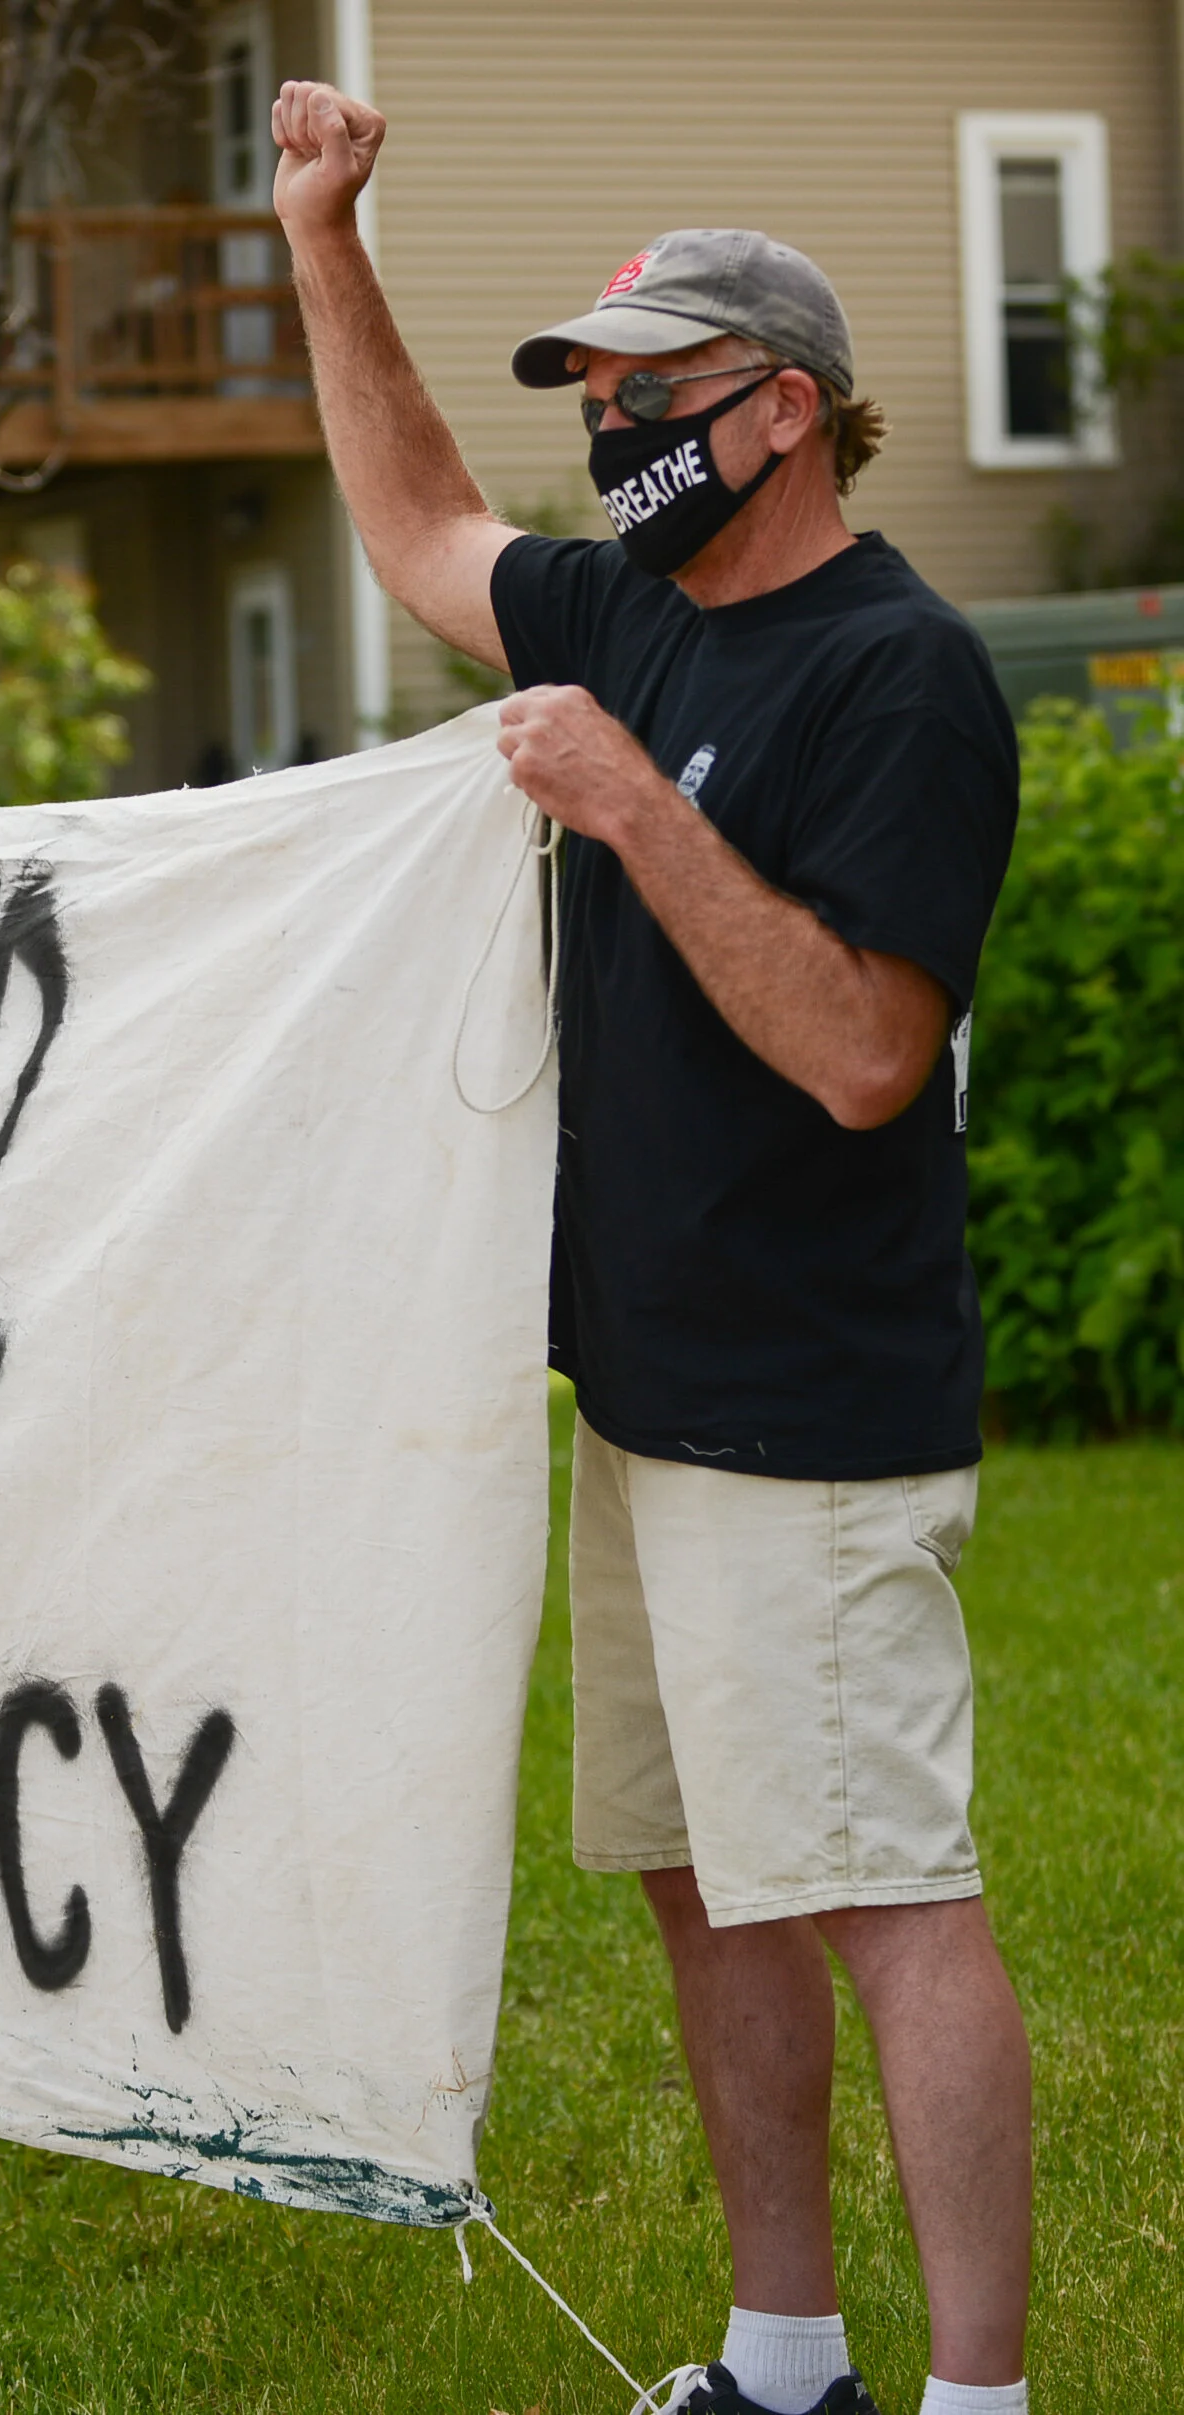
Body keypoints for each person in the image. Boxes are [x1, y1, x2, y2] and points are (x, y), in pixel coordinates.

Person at [271, 87, 1027, 2415]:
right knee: (704, 1885)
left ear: (781, 408)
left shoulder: (899, 676)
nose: (616, 441)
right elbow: (410, 524)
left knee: (887, 1896)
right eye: (597, 408)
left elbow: (865, 1052)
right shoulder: (624, 611)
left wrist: (622, 806)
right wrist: (325, 237)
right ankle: (782, 2360)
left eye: (652, 399)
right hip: (647, 1393)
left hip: (812, 1422)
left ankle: (984, 2398)